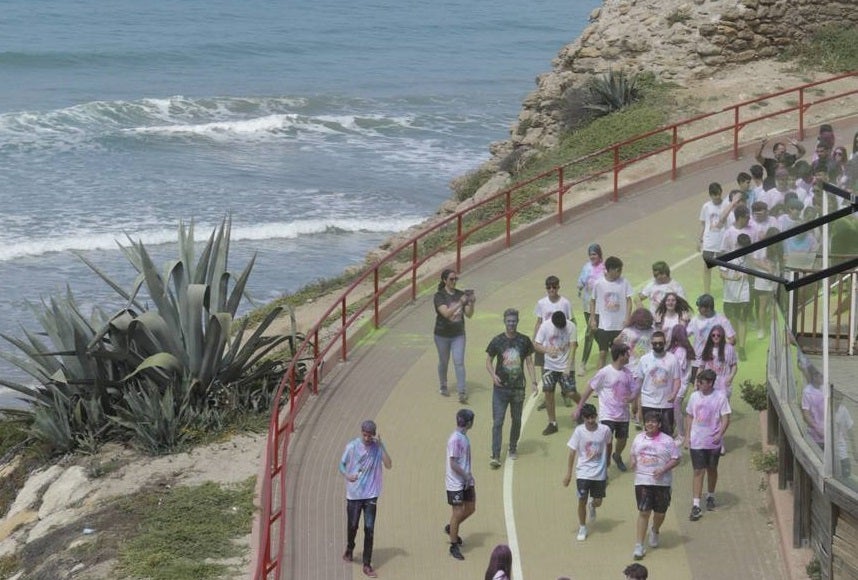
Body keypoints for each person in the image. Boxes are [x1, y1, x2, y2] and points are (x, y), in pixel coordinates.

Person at [339, 420, 393, 578]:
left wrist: (382, 445)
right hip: (354, 495)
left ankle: (367, 564)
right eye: (365, 435)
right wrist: (347, 475)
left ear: (374, 434)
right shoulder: (352, 447)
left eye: (370, 435)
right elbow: (341, 465)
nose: (367, 438)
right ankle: (350, 549)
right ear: (361, 432)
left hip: (371, 495)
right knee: (353, 525)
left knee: (369, 529)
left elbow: (389, 464)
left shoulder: (377, 448)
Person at [575, 342, 638, 472]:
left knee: (622, 440)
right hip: (607, 414)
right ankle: (604, 467)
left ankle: (617, 455)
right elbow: (589, 389)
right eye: (627, 354)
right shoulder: (604, 372)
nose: (629, 357)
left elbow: (634, 391)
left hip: (623, 415)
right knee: (606, 443)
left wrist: (633, 402)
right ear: (620, 355)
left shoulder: (628, 373)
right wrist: (579, 408)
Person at [486, 309, 537, 466]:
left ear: (517, 321)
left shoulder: (524, 341)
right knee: (498, 421)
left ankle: (513, 447)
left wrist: (534, 382)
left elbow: (529, 362)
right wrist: (493, 375)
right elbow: (488, 360)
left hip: (518, 388)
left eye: (514, 321)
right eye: (509, 321)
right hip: (500, 388)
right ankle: (495, 454)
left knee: (516, 420)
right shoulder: (497, 341)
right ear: (504, 321)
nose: (511, 324)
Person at [629, 411, 681, 561]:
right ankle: (639, 545)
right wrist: (632, 460)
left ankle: (655, 529)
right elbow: (633, 453)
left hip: (662, 482)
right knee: (644, 512)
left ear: (659, 424)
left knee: (660, 513)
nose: (649, 424)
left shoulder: (668, 441)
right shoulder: (639, 438)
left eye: (653, 422)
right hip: (642, 480)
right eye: (647, 421)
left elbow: (676, 459)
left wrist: (663, 469)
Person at [684, 369, 731, 521]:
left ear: (710, 383)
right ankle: (696, 505)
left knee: (712, 469)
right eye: (698, 382)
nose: (698, 385)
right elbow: (690, 416)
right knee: (698, 471)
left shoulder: (720, 397)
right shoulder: (693, 396)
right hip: (697, 441)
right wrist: (687, 437)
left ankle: (710, 495)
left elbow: (725, 418)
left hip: (712, 442)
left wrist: (720, 434)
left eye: (701, 382)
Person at [563, 403, 612, 541]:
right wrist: (569, 474)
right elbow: (572, 453)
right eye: (587, 418)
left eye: (593, 417)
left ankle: (592, 505)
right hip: (583, 472)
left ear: (596, 416)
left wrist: (608, 460)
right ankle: (583, 526)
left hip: (600, 472)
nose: (591, 420)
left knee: (598, 501)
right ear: (583, 418)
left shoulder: (605, 430)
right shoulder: (579, 431)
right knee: (581, 500)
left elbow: (609, 444)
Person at [433, 269, 475, 403]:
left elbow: (469, 314)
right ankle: (443, 384)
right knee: (444, 361)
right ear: (444, 281)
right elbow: (446, 313)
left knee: (459, 362)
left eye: (456, 279)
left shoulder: (460, 294)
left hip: (458, 334)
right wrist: (461, 303)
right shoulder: (439, 296)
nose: (454, 281)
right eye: (451, 279)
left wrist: (471, 302)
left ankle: (462, 391)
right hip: (442, 335)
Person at [535, 310, 578, 436]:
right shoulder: (545, 326)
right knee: (548, 393)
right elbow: (536, 345)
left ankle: (582, 407)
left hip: (565, 365)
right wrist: (546, 349)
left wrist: (568, 367)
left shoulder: (571, 326)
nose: (561, 328)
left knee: (571, 392)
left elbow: (573, 346)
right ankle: (552, 422)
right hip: (550, 366)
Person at [533, 275, 574, 408]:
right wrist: (535, 342)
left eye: (554, 287)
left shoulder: (565, 303)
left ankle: (565, 393)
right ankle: (547, 397)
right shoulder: (541, 303)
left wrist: (571, 341)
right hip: (546, 342)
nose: (552, 289)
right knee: (545, 372)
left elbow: (571, 322)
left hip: (561, 343)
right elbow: (539, 322)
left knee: (563, 371)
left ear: (558, 287)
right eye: (549, 287)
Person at [589, 255, 634, 372]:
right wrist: (592, 318)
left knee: (622, 355)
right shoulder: (599, 284)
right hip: (604, 326)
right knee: (602, 354)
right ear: (610, 270)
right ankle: (598, 382)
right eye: (618, 270)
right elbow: (592, 301)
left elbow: (629, 300)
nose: (620, 273)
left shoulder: (624, 282)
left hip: (620, 326)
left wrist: (628, 317)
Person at [634, 331, 681, 436]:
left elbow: (677, 379)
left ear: (665, 343)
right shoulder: (644, 359)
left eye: (660, 343)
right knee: (649, 434)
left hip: (666, 404)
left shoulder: (672, 359)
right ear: (651, 343)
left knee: (667, 434)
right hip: (648, 402)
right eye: (655, 343)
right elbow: (639, 383)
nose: (658, 345)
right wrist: (638, 408)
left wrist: (674, 394)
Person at [446, 408, 476, 560]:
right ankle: (453, 545)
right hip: (456, 483)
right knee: (457, 512)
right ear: (469, 423)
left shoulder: (462, 437)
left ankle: (452, 527)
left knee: (470, 508)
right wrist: (465, 477)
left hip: (466, 480)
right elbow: (453, 463)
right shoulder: (456, 439)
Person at [687, 294, 736, 383]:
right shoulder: (695, 320)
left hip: (715, 363)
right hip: (697, 361)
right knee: (698, 388)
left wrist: (717, 342)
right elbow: (685, 334)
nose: (698, 309)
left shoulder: (721, 320)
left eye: (700, 307)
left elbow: (732, 340)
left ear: (708, 308)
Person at [720, 233, 752, 361]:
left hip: (744, 295)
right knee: (732, 322)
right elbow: (722, 274)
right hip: (730, 296)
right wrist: (733, 278)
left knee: (743, 320)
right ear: (737, 245)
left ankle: (742, 348)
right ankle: (734, 345)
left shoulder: (748, 258)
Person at [576, 243, 606, 375]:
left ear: (599, 254)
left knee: (590, 333)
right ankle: (602, 351)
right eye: (590, 254)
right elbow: (582, 280)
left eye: (594, 254)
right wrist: (579, 287)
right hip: (587, 305)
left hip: (601, 307)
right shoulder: (586, 267)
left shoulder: (605, 268)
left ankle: (584, 363)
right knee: (593, 332)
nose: (592, 256)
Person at [668, 325, 695, 444]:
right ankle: (673, 430)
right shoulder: (674, 348)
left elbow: (679, 368)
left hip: (681, 383)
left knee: (676, 407)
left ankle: (681, 434)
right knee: (673, 408)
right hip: (673, 383)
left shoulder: (681, 351)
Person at [698, 182, 726, 294]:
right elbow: (704, 224)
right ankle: (707, 292)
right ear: (711, 195)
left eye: (719, 194)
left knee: (724, 267)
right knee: (707, 267)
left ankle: (726, 289)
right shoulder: (706, 207)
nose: (718, 197)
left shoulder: (726, 204)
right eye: (715, 195)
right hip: (709, 241)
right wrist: (700, 239)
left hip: (722, 241)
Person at [615, 307, 655, 376]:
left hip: (647, 368)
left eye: (644, 324)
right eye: (640, 324)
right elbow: (617, 343)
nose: (642, 326)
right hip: (630, 367)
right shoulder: (628, 331)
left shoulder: (652, 332)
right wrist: (617, 340)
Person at [801, 369, 825, 448]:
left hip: (829, 437)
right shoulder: (808, 392)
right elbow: (806, 414)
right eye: (821, 376)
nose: (824, 378)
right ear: (814, 376)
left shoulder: (826, 389)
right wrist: (817, 430)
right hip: (816, 437)